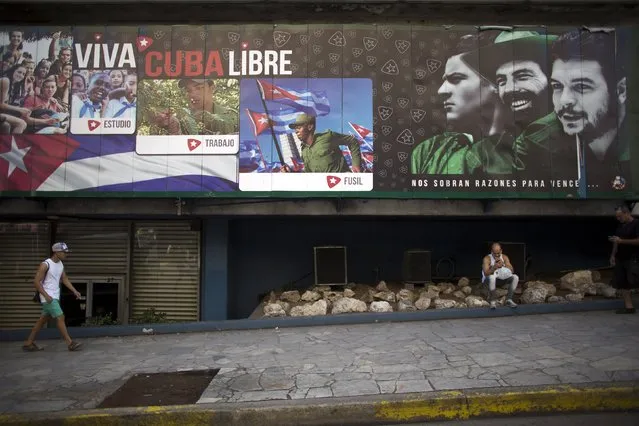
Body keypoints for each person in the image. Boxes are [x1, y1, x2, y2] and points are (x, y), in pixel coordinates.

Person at [22, 242, 83, 352]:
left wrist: (74, 291)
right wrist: (46, 295)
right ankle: (70, 343)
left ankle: (28, 343)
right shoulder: (46, 264)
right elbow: (36, 282)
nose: (66, 254)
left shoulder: (60, 264)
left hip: (54, 296)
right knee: (60, 317)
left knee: (41, 321)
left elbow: (64, 279)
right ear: (56, 252)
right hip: (48, 297)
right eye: (64, 252)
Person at [287, 112, 362, 173]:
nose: (296, 131)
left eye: (299, 128)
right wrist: (291, 172)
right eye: (295, 129)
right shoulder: (304, 150)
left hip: (342, 185)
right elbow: (308, 175)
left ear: (310, 127)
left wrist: (356, 164)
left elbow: (352, 141)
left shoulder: (327, 137)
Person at [609, 205, 639, 314]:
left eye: (620, 216)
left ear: (627, 213)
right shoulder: (621, 226)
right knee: (623, 283)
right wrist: (613, 255)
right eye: (617, 217)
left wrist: (622, 241)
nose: (618, 219)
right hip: (620, 258)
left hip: (633, 258)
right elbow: (617, 241)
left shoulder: (636, 224)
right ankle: (629, 307)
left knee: (634, 280)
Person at [481, 243, 519, 309]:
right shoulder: (487, 258)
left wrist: (504, 265)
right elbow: (486, 273)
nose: (496, 255)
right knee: (492, 277)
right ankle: (492, 301)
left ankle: (509, 300)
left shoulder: (504, 257)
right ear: (491, 251)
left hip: (500, 280)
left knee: (515, 277)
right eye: (494, 253)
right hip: (488, 281)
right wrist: (494, 267)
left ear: (501, 251)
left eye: (498, 253)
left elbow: (512, 271)